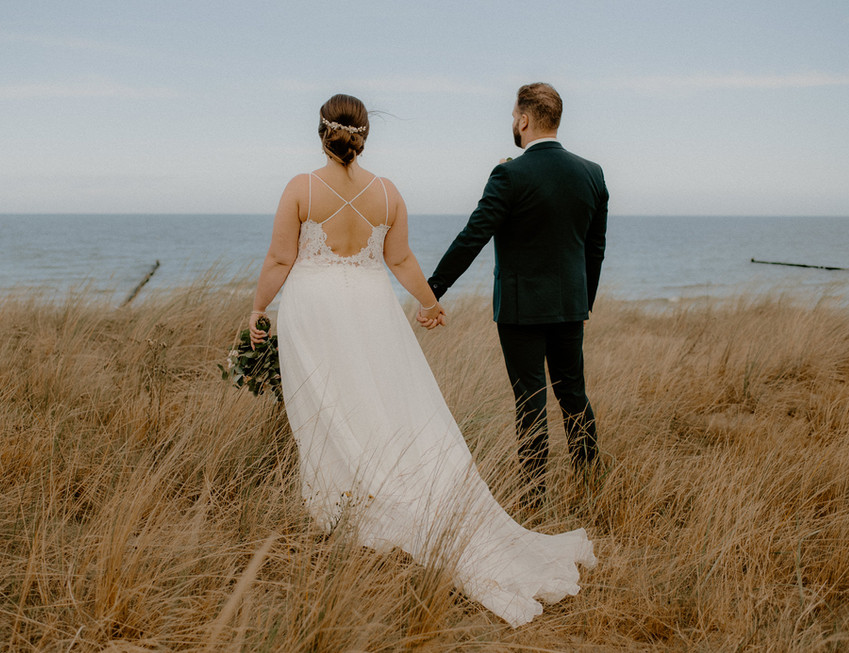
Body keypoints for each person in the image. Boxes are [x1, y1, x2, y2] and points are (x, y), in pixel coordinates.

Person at [248, 93, 595, 626]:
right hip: (372, 308)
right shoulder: (387, 194)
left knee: (328, 405)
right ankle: (382, 499)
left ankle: (340, 508)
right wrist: (429, 303)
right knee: (390, 403)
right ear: (364, 135)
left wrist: (257, 307)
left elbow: (279, 257)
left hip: (313, 311)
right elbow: (400, 258)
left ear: (323, 134)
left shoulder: (300, 188)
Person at [426, 83, 608, 501]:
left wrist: (434, 290)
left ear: (524, 120)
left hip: (521, 311)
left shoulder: (509, 174)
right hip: (570, 307)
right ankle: (591, 486)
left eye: (513, 116)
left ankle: (532, 498)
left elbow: (473, 236)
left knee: (530, 402)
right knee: (573, 394)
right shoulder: (593, 173)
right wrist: (583, 301)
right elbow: (595, 248)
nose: (513, 122)